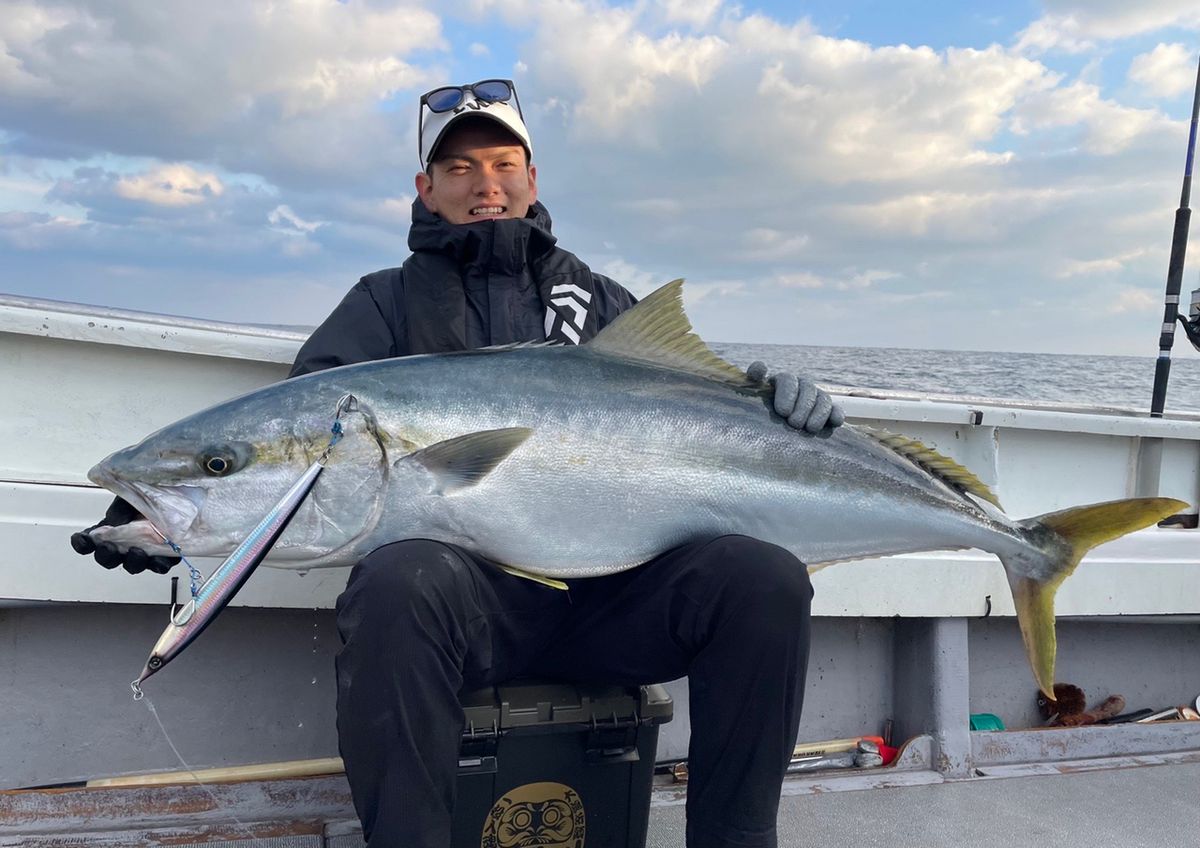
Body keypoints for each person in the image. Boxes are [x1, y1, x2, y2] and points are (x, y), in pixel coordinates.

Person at [72, 79, 845, 848]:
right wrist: (167, 513)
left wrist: (765, 397)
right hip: (470, 613)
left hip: (619, 601)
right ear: (426, 188)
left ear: (532, 179)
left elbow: (692, 409)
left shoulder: (602, 301)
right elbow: (292, 455)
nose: (486, 185)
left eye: (504, 164)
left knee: (762, 578)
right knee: (399, 578)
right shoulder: (380, 307)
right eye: (460, 169)